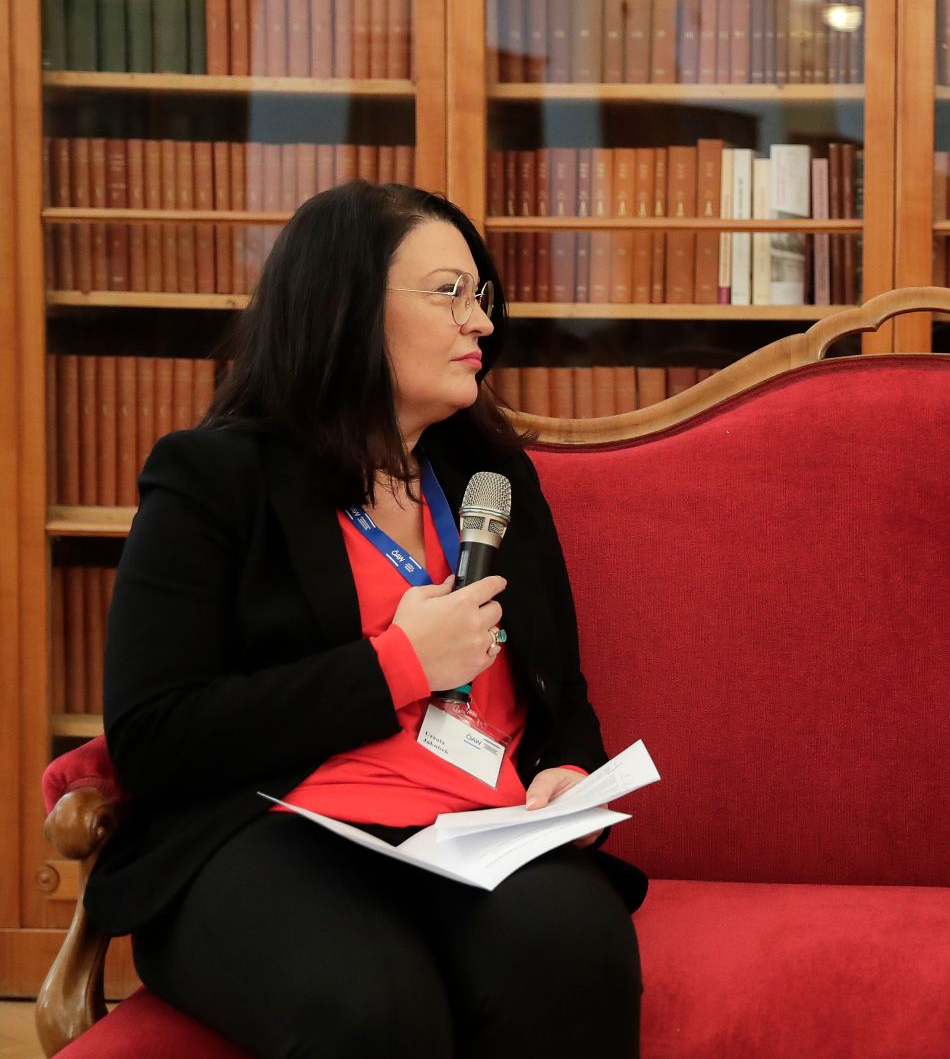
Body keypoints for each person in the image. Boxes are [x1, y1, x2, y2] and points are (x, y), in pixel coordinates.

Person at [86, 181, 644, 1058]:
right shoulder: (214, 479)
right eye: (450, 292)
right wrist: (397, 665)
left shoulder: (492, 482)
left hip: (475, 830)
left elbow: (560, 695)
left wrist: (569, 768)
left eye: (483, 297)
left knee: (575, 956)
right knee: (373, 1009)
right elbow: (156, 735)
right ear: (344, 306)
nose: (482, 324)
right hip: (274, 826)